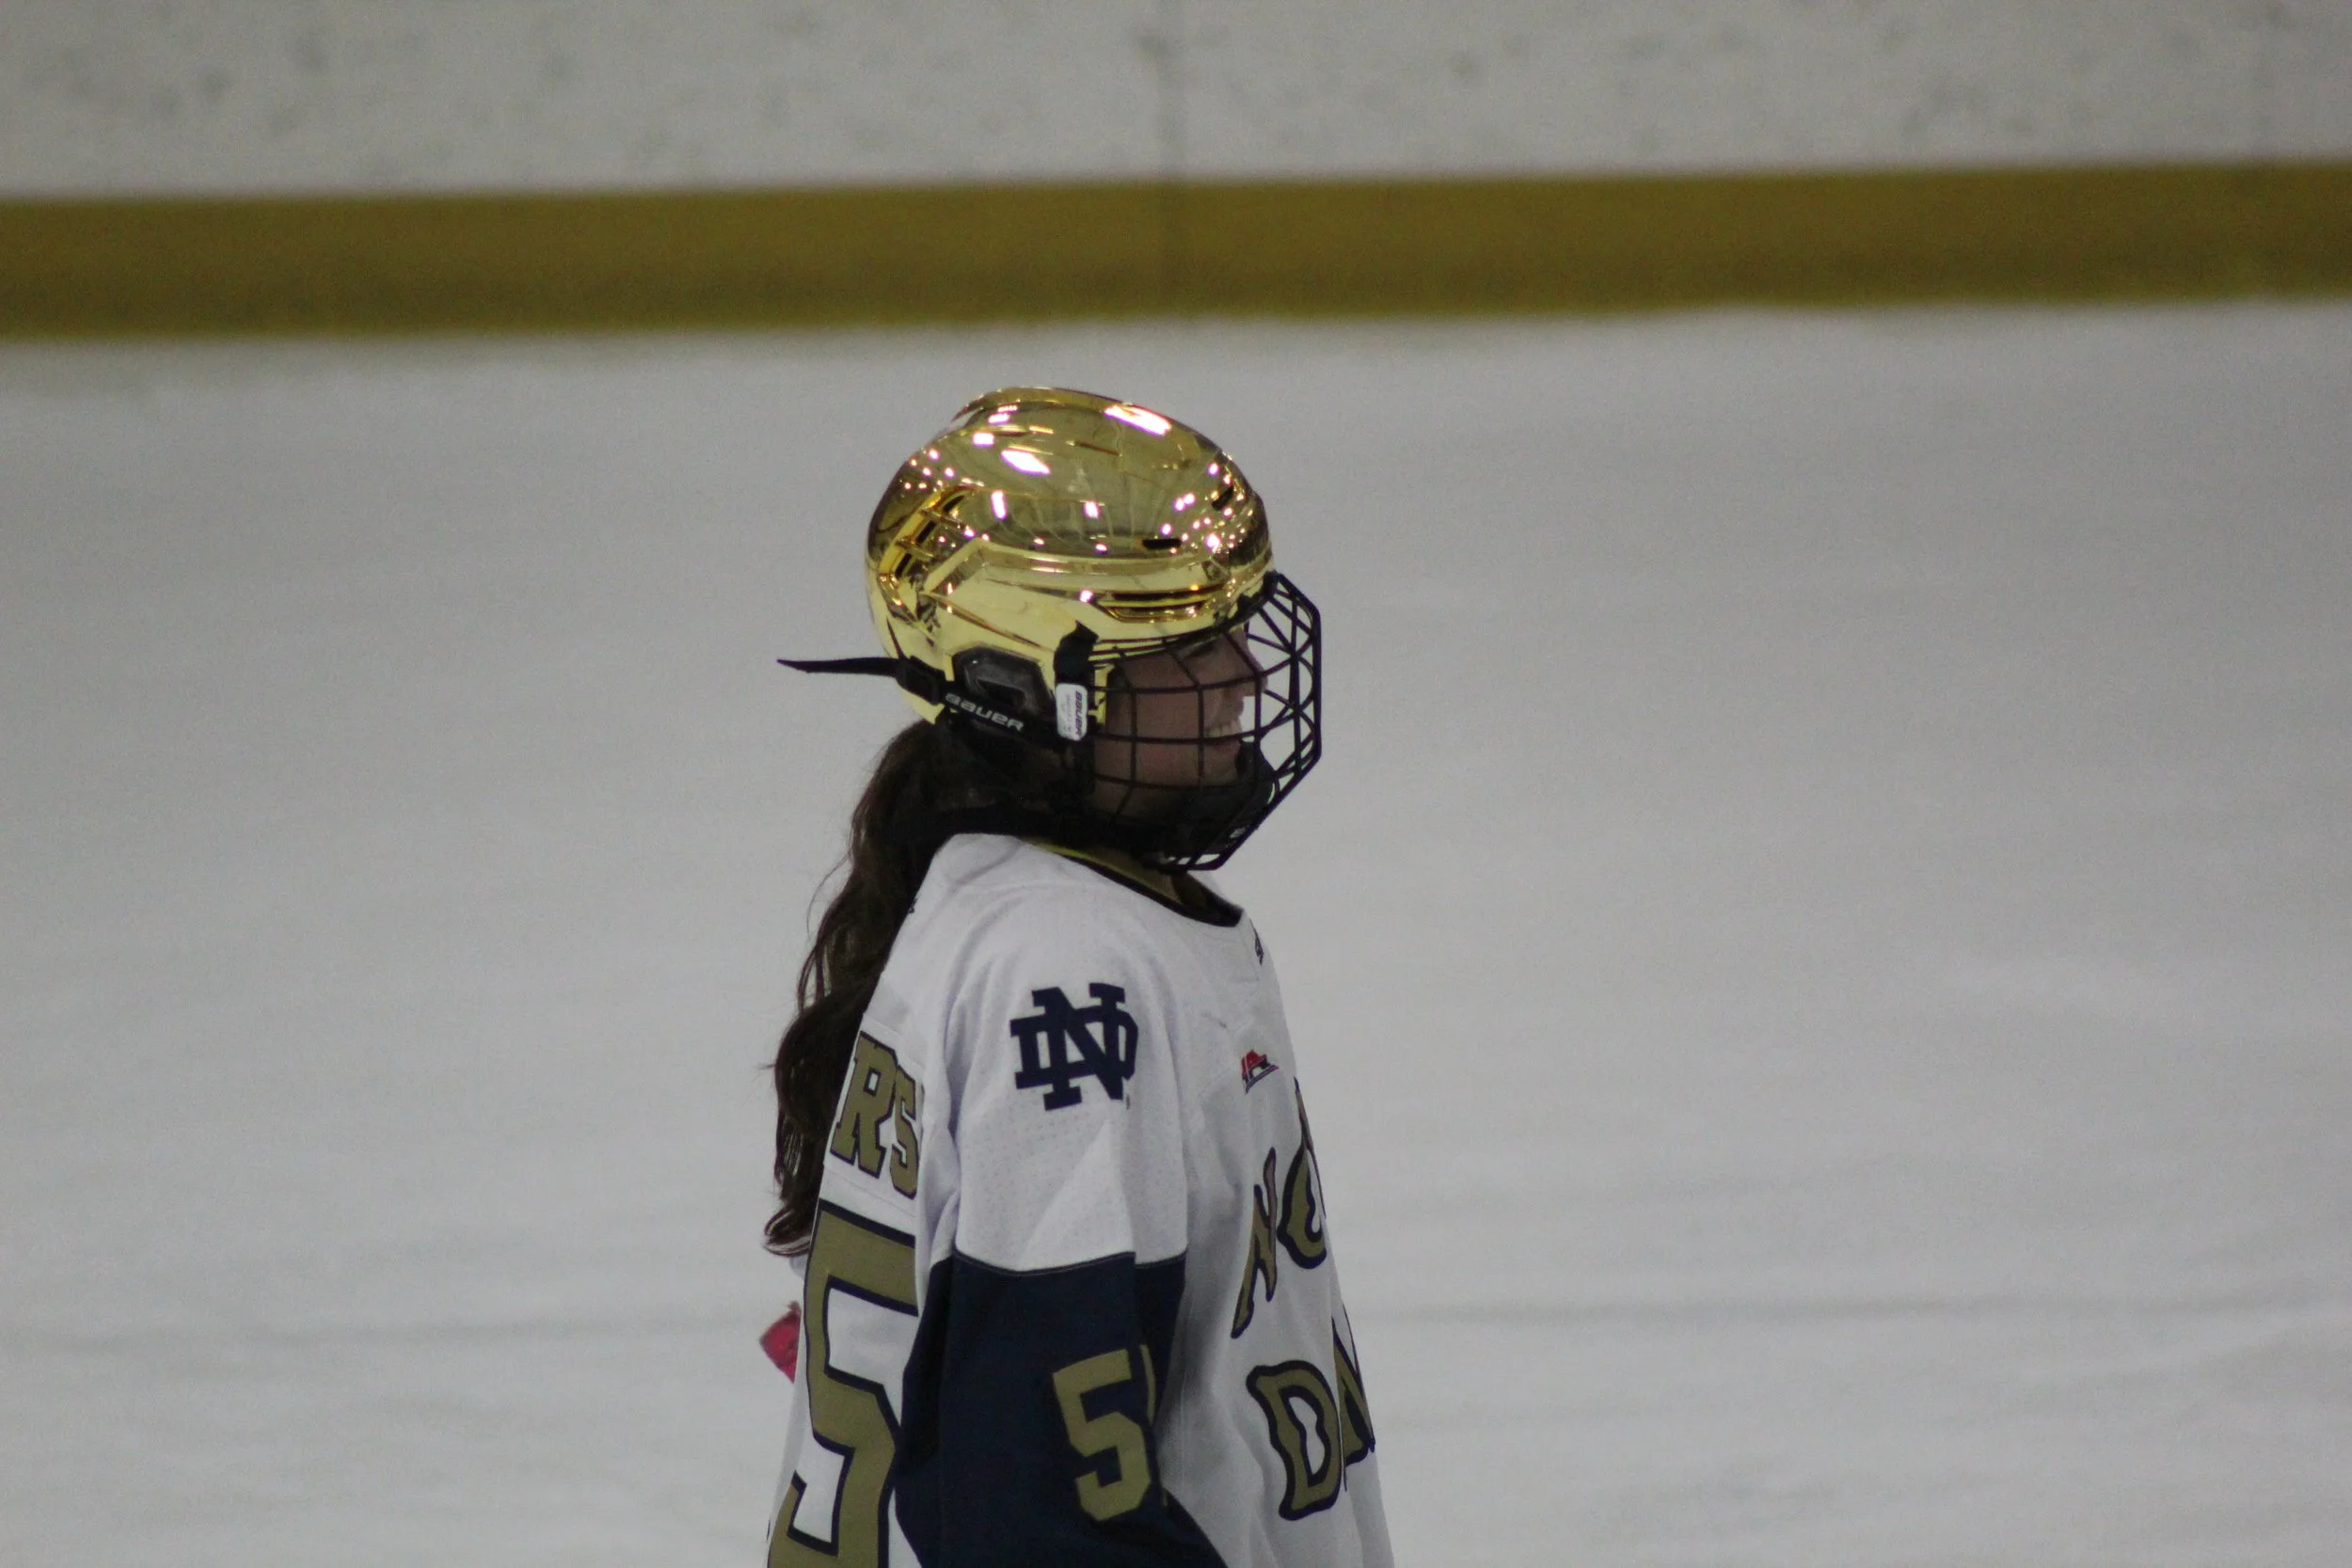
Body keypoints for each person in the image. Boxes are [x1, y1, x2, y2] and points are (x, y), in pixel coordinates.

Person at [764, 388, 1391, 1567]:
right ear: (1036, 693)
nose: (1247, 673)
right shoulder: (1066, 972)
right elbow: (1039, 1509)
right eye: (1190, 643)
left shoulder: (1011, 914)